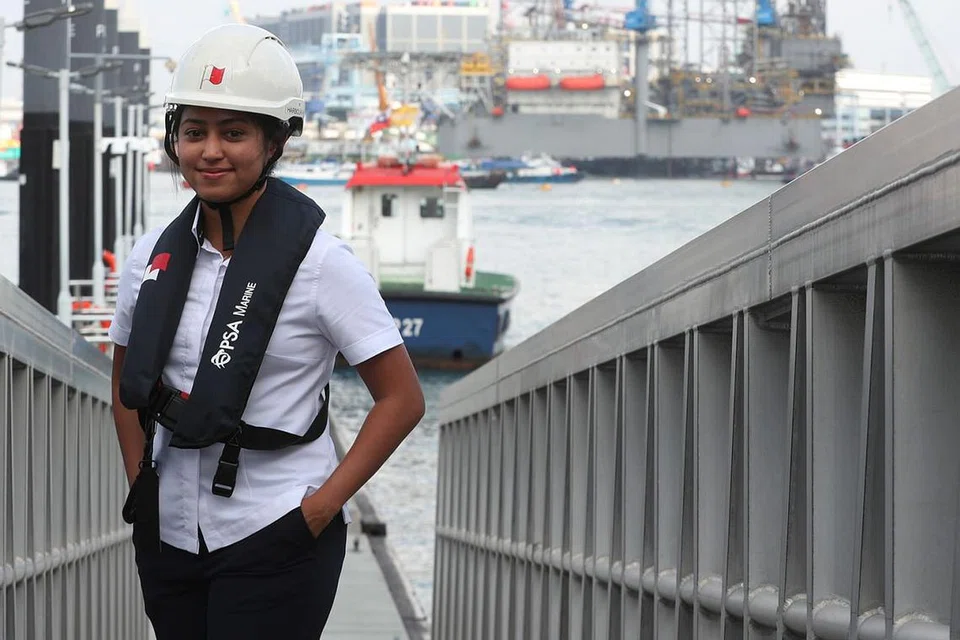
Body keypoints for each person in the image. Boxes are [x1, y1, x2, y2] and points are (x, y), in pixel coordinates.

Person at [109, 23, 425, 640]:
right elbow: (126, 383)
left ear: (274, 142)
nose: (210, 151)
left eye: (234, 133)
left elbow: (402, 398)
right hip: (170, 535)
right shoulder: (151, 258)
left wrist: (320, 510)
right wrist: (139, 485)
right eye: (194, 132)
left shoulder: (322, 264)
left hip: (276, 527)